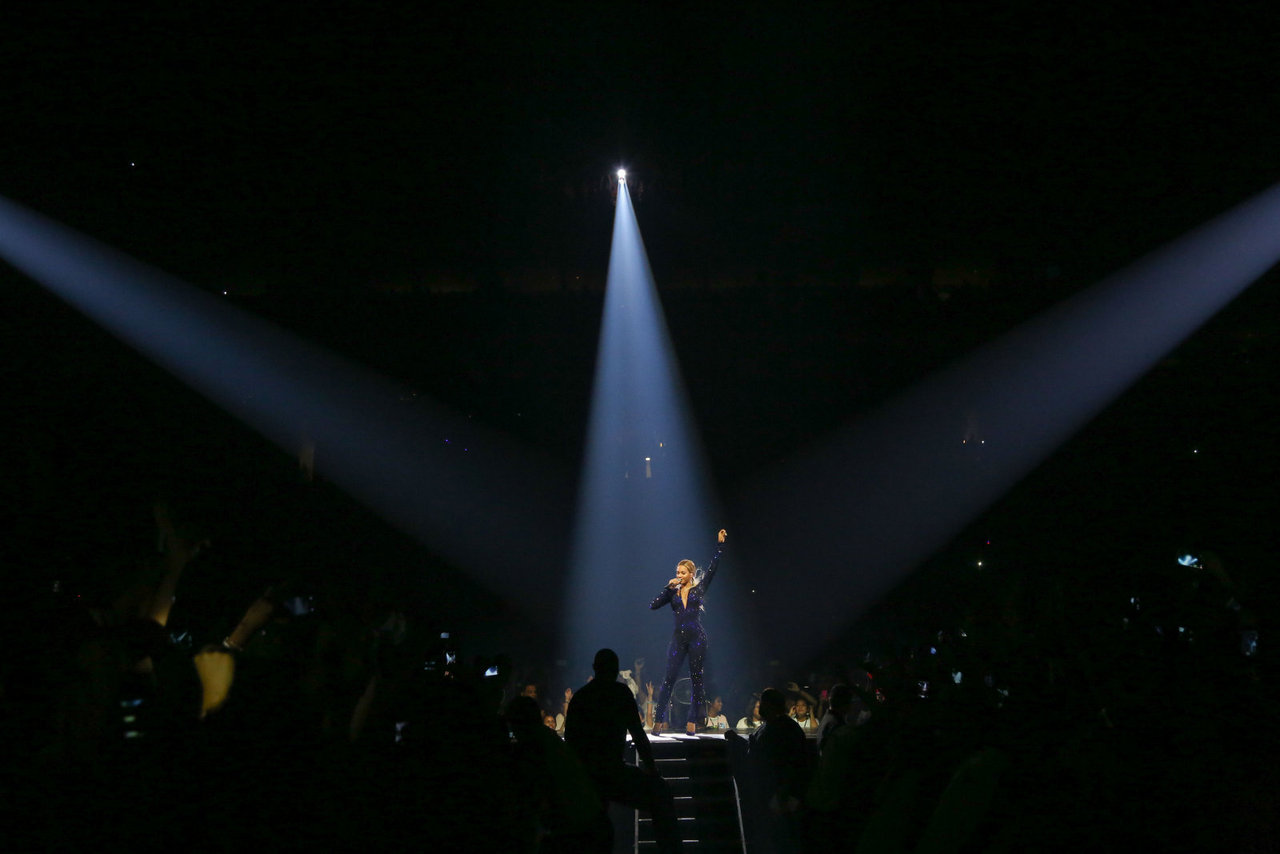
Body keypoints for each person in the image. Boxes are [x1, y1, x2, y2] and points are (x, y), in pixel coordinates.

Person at [565, 648, 680, 853]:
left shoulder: (580, 698)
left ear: (595, 668)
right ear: (616, 670)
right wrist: (652, 771)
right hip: (610, 772)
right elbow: (638, 735)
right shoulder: (620, 694)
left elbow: (571, 742)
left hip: (585, 774)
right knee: (661, 794)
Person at [650, 529, 727, 734]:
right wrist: (668, 587)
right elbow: (653, 605)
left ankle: (693, 720)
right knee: (669, 678)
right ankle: (659, 720)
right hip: (678, 639)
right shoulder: (672, 593)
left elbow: (712, 570)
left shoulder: (699, 589)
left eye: (682, 573)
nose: (679, 576)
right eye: (677, 573)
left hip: (697, 638)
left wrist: (720, 546)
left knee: (696, 678)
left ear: (691, 574)